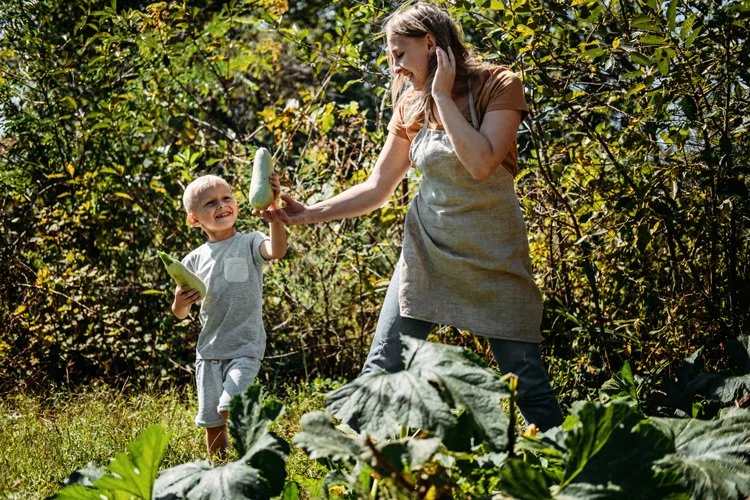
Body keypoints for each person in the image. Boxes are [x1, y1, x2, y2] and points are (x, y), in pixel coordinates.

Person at [258, 1, 563, 431]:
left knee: (527, 382)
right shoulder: (409, 104)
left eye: (400, 53)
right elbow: (378, 188)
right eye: (390, 55)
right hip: (427, 252)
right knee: (383, 367)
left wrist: (441, 95)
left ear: (432, 45)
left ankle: (572, 476)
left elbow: (481, 164)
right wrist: (308, 213)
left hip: (494, 256)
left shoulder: (499, 84)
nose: (395, 66)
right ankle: (346, 472)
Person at [171, 172, 288, 458]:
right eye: (210, 203)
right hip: (209, 351)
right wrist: (180, 301)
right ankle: (220, 469)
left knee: (228, 406)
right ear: (194, 219)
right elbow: (180, 314)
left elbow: (278, 250)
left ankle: (257, 450)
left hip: (245, 346)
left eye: (226, 198)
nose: (222, 205)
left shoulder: (250, 242)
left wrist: (274, 216)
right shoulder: (192, 260)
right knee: (212, 423)